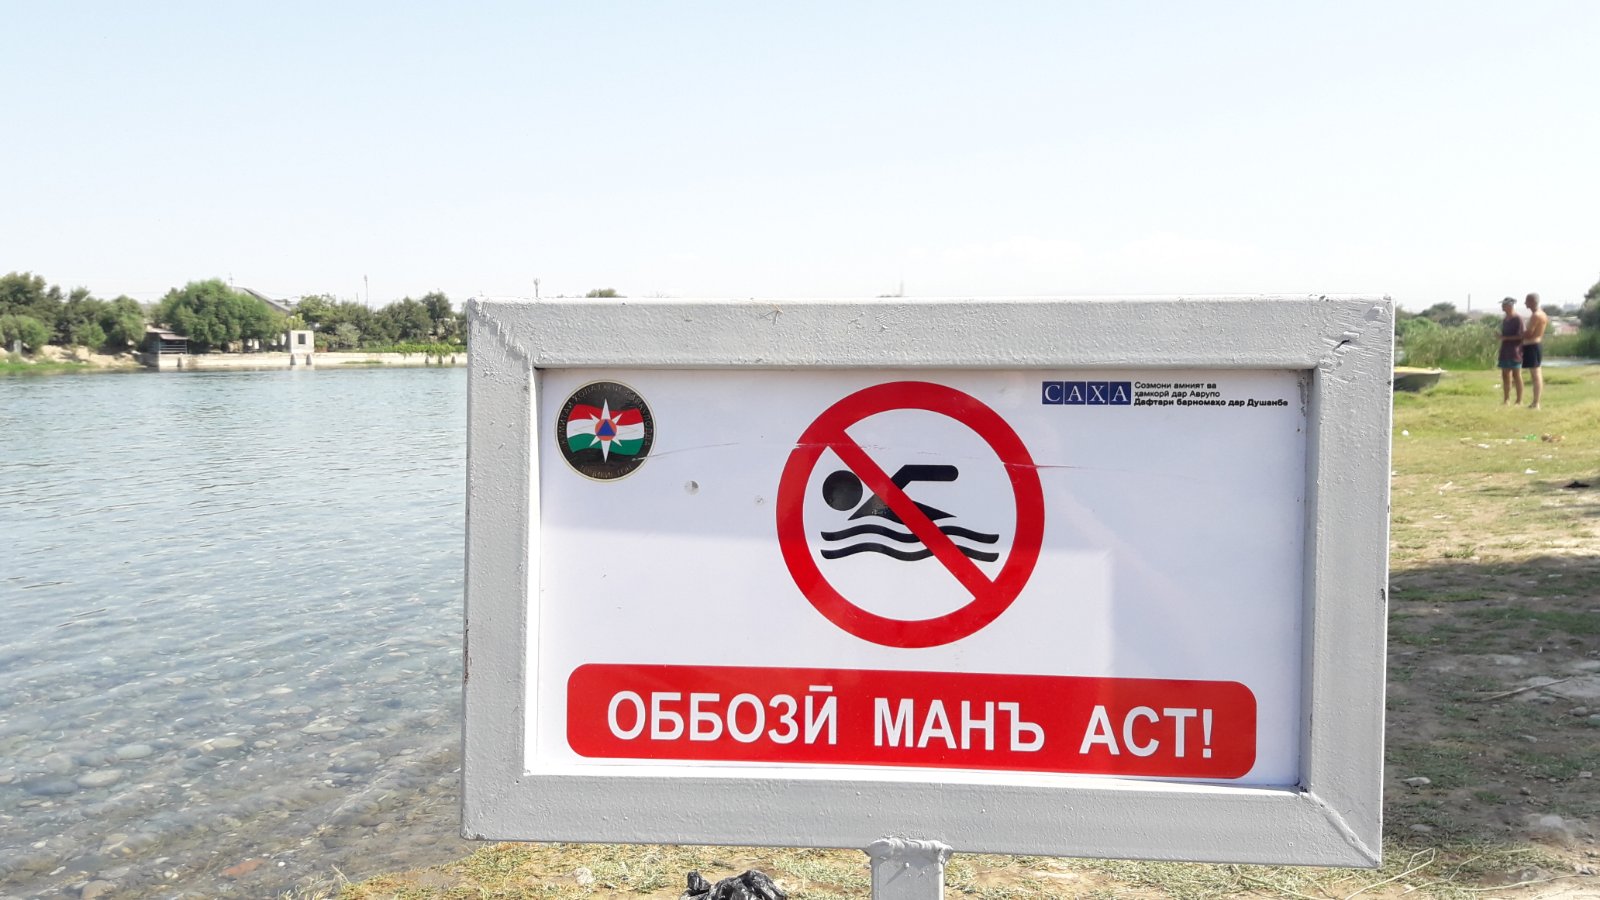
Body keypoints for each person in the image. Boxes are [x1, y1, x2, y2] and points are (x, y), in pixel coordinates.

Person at [1523, 292, 1549, 409]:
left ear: (1532, 302)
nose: (1525, 303)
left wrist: (1518, 335)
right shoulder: (1542, 314)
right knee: (1535, 373)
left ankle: (1536, 403)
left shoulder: (1536, 316)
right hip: (1535, 345)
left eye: (1527, 301)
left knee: (1536, 374)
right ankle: (1535, 402)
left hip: (1532, 345)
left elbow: (1529, 333)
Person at [1498, 297, 1524, 405]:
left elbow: (1521, 336)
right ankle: (1506, 399)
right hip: (1505, 350)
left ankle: (1519, 400)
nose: (1502, 307)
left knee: (1516, 375)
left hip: (1515, 351)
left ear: (1510, 306)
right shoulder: (1505, 319)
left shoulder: (1517, 319)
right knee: (1505, 375)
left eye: (1504, 305)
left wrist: (1506, 338)